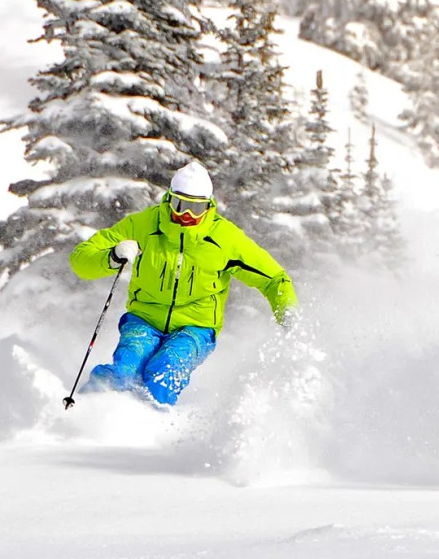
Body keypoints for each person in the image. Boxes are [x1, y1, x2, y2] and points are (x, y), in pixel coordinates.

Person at [69, 161, 296, 406]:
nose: (185, 215)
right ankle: (84, 413)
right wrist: (112, 256)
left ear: (208, 206)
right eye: (179, 205)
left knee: (162, 373)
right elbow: (80, 259)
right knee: (125, 371)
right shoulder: (143, 225)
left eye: (194, 208)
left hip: (195, 328)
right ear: (168, 199)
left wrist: (287, 312)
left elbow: (274, 278)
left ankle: (149, 428)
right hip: (144, 319)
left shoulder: (226, 239)